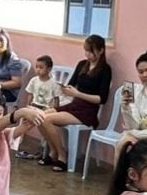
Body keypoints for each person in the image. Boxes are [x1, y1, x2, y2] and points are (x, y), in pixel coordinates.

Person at [36, 35, 113, 171]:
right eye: (86, 51)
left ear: (101, 50)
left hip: (88, 110)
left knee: (47, 120)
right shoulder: (82, 64)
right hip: (74, 104)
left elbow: (102, 99)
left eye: (91, 51)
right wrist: (65, 88)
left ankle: (62, 156)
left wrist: (78, 94)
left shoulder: (105, 70)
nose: (87, 55)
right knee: (39, 116)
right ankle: (53, 151)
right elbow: (71, 84)